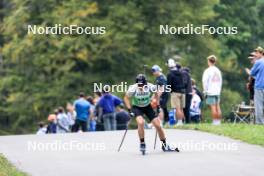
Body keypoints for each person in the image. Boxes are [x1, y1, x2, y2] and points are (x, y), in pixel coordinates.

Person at [124, 74, 177, 153]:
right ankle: (142, 143)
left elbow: (156, 94)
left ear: (146, 83)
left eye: (142, 85)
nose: (141, 86)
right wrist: (129, 110)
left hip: (148, 107)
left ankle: (164, 145)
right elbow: (126, 98)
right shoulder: (133, 88)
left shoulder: (150, 86)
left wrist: (157, 105)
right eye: (139, 85)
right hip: (137, 108)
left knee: (158, 125)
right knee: (140, 122)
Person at [202, 55, 222, 125]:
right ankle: (218, 122)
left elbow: (205, 81)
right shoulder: (218, 70)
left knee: (213, 107)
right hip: (217, 91)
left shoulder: (207, 70)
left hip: (210, 91)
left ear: (209, 61)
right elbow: (220, 81)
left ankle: (215, 122)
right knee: (218, 106)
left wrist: (205, 91)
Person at [167, 59, 186, 126]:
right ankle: (183, 122)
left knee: (177, 108)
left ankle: (179, 122)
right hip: (182, 92)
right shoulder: (180, 72)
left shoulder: (170, 74)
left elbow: (168, 85)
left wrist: (169, 92)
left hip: (175, 93)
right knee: (181, 109)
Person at [249, 47, 264, 124]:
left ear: (261, 53)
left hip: (259, 87)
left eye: (257, 53)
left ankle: (260, 123)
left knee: (259, 106)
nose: (256, 55)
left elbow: (251, 73)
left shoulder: (258, 62)